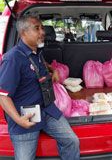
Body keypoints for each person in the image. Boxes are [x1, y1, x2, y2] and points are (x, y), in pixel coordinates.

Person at [0, 15, 80, 160]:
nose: (42, 32)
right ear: (23, 33)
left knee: (71, 141)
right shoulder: (12, 59)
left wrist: (52, 69)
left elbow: (39, 64)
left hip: (47, 110)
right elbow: (3, 95)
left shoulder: (37, 52)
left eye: (42, 28)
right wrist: (18, 120)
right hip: (26, 117)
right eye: (37, 28)